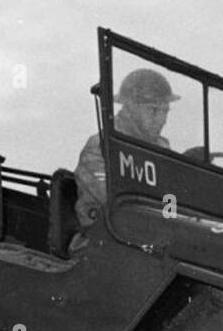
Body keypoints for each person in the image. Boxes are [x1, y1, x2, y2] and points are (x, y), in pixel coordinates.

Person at [72, 68, 179, 246]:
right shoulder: (101, 146)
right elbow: (113, 199)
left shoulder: (162, 149)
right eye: (153, 110)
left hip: (152, 241)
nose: (162, 119)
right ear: (129, 107)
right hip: (102, 242)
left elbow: (173, 199)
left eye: (165, 111)